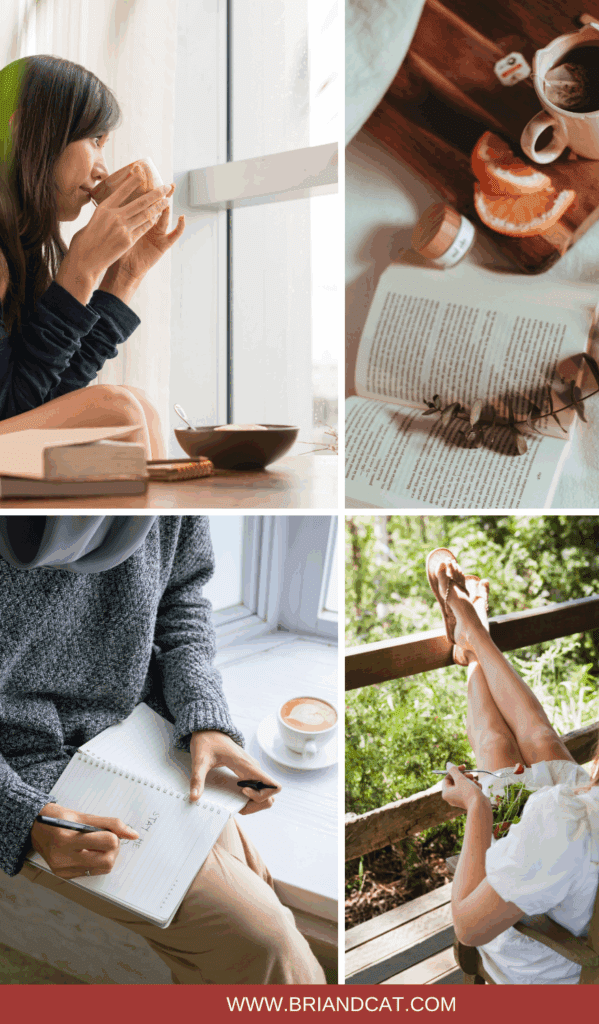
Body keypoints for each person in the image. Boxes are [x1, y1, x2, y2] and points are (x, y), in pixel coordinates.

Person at [0, 515, 324, 985]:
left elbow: (182, 597)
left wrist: (203, 717)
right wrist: (20, 816)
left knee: (257, 913)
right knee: (264, 943)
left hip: (141, 730)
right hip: (27, 769)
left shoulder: (167, 469)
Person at [426, 547, 599, 985]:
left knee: (496, 750)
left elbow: (468, 928)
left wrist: (476, 808)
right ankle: (474, 632)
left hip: (562, 969)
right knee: (542, 739)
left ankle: (470, 641)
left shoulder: (566, 823)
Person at [0, 55, 184, 459]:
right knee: (117, 411)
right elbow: (16, 421)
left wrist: (125, 275)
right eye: (95, 140)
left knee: (141, 410)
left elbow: (52, 406)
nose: (102, 168)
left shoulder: (21, 253)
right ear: (23, 132)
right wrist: (81, 269)